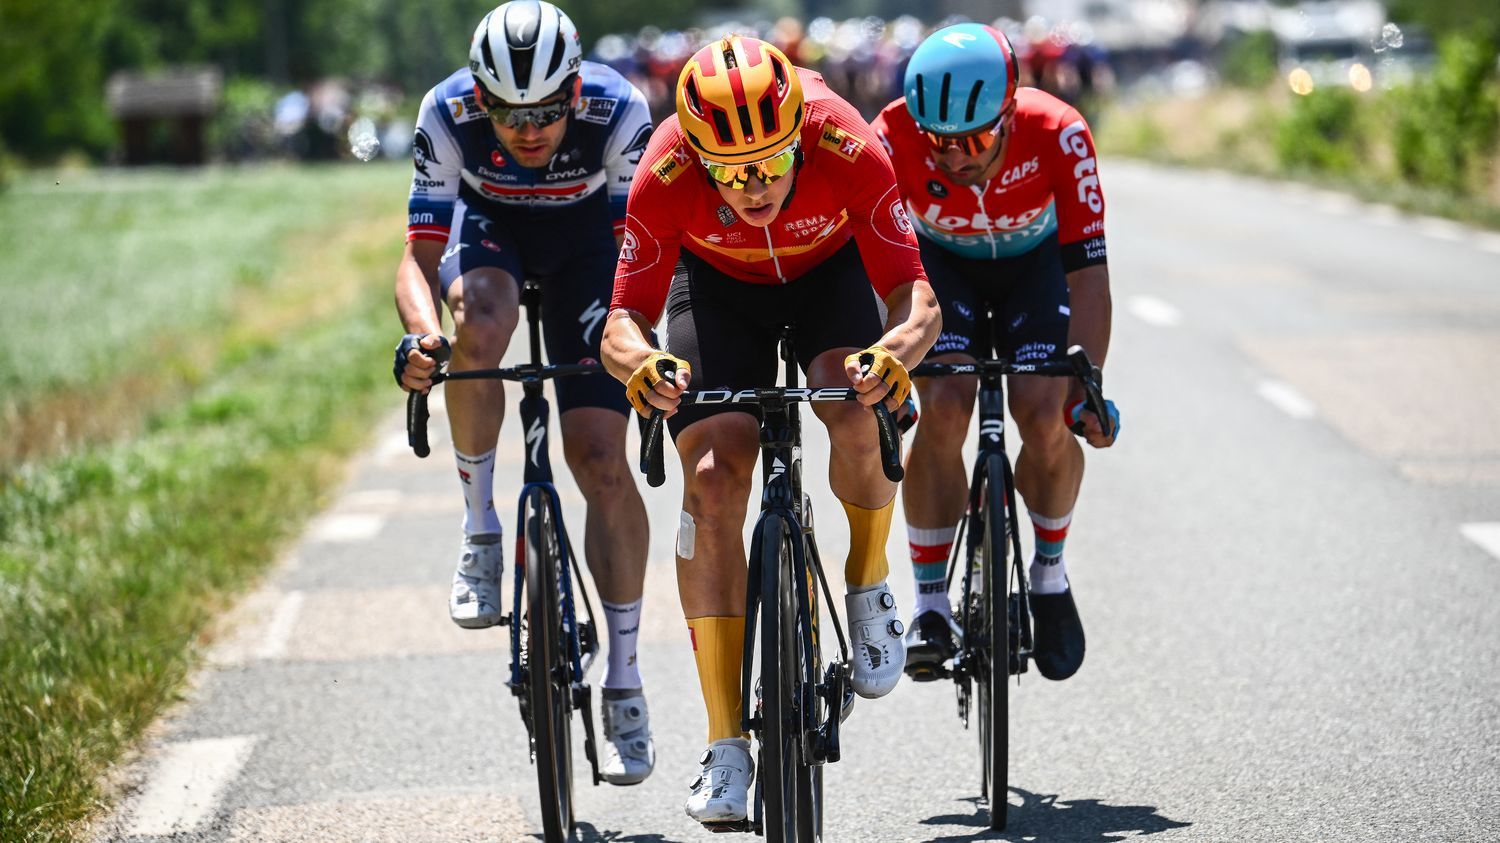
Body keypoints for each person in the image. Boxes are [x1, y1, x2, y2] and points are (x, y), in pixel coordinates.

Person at [601, 36, 941, 827]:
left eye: (767, 163)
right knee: (715, 477)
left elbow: (916, 300)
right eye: (729, 170)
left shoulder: (847, 141)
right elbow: (623, 322)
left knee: (857, 411)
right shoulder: (667, 168)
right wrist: (642, 365)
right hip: (715, 289)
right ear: (697, 154)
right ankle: (725, 744)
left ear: (799, 134)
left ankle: (865, 579)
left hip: (829, 275)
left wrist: (891, 356)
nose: (751, 186)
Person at [391, 0, 658, 786]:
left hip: (589, 246)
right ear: (481, 97)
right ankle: (480, 532)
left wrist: (638, 352)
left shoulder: (618, 112)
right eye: (509, 113)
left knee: (600, 459)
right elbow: (417, 254)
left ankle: (626, 683)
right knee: (479, 318)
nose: (530, 129)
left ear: (576, 89)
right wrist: (421, 337)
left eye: (547, 109)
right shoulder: (445, 111)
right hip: (490, 234)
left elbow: (634, 260)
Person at [871, 23, 1119, 684]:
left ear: (1009, 114)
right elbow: (872, 272)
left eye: (974, 141)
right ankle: (929, 605)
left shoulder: (1060, 131)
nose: (954, 160)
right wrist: (888, 373)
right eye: (940, 144)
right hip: (939, 272)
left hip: (1033, 270)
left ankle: (1049, 572)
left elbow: (1089, 274)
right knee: (944, 407)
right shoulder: (888, 137)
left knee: (1044, 414)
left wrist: (1085, 385)